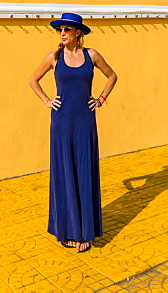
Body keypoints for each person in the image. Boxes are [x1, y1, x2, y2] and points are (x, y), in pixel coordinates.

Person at [28, 13, 118, 253]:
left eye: (67, 29)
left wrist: (100, 99)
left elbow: (112, 76)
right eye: (60, 30)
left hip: (85, 120)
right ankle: (66, 230)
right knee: (64, 173)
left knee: (85, 172)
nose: (62, 33)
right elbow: (33, 80)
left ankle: (85, 233)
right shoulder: (54, 57)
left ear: (79, 32)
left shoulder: (92, 55)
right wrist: (47, 100)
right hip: (61, 122)